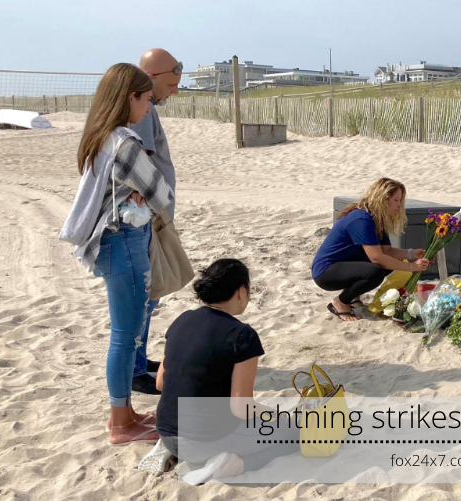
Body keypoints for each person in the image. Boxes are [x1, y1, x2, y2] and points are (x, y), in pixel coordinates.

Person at [59, 63, 172, 444]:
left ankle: (124, 414)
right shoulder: (125, 142)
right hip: (124, 241)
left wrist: (132, 192)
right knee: (127, 335)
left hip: (112, 242)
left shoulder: (99, 136)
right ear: (131, 98)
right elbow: (162, 195)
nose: (149, 108)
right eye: (146, 100)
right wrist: (141, 193)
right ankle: (120, 424)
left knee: (126, 333)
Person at [155, 259, 298, 485]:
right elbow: (241, 407)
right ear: (241, 291)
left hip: (165, 432)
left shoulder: (181, 320)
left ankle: (177, 453)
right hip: (202, 439)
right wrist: (279, 416)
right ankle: (233, 465)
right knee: (293, 435)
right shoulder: (242, 335)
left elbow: (161, 383)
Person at [128, 48, 182, 394]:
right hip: (148, 218)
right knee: (146, 294)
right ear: (153, 77)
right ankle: (134, 369)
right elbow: (141, 163)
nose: (175, 90)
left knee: (149, 294)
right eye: (172, 83)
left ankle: (137, 359)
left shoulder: (144, 106)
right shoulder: (142, 109)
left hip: (151, 215)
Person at [312, 178, 431, 322]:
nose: (399, 206)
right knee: (375, 272)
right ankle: (340, 302)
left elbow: (386, 251)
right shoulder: (361, 218)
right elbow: (377, 257)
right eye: (396, 200)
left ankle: (353, 296)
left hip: (344, 264)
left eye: (401, 201)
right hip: (326, 272)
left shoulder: (376, 218)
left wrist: (411, 253)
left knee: (389, 263)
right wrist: (411, 267)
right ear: (383, 199)